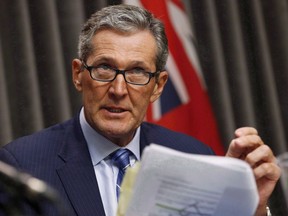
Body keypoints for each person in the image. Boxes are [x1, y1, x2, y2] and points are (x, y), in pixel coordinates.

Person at [0, 4, 280, 216]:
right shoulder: (22, 166)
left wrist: (250, 209)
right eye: (105, 68)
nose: (119, 90)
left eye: (137, 72)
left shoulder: (196, 156)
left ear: (158, 86)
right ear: (78, 74)